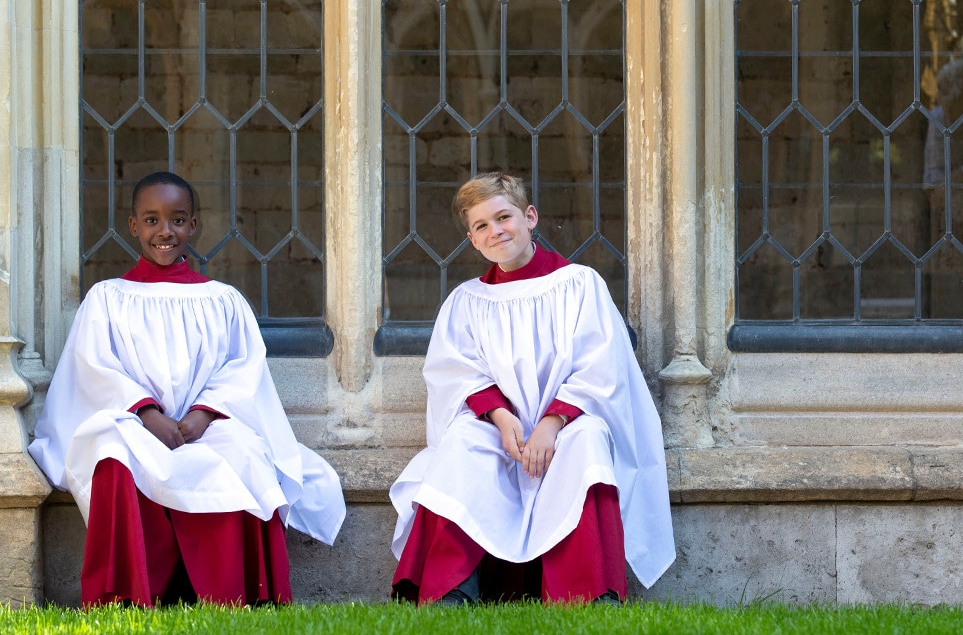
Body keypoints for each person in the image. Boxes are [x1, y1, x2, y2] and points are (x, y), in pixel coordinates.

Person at [29, 171, 345, 607]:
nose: (165, 231)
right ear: (133, 225)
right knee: (111, 452)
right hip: (135, 421)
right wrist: (148, 414)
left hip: (206, 422)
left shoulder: (222, 299)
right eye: (152, 220)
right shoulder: (107, 297)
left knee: (246, 453)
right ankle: (127, 596)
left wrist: (200, 415)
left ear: (193, 226)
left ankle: (238, 594)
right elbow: (94, 366)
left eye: (177, 220)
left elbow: (242, 369)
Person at [389, 171, 674, 605]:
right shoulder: (468, 301)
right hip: (500, 429)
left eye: (504, 217)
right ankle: (451, 591)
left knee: (590, 443)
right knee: (463, 442)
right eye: (481, 226)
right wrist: (503, 421)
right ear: (472, 239)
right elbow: (457, 371)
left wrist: (551, 424)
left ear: (530, 217)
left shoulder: (579, 284)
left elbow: (601, 365)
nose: (495, 231)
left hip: (568, 420)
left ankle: (589, 593)